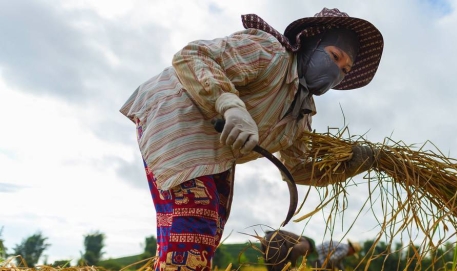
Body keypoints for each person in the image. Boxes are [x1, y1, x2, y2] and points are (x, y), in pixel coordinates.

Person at [120, 7, 384, 271]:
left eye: (345, 69)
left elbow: (296, 168)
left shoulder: (301, 116)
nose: (336, 70)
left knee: (208, 231)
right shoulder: (270, 53)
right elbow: (193, 57)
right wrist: (230, 104)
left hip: (217, 148)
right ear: (310, 44)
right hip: (178, 113)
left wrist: (348, 168)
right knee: (196, 219)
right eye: (334, 56)